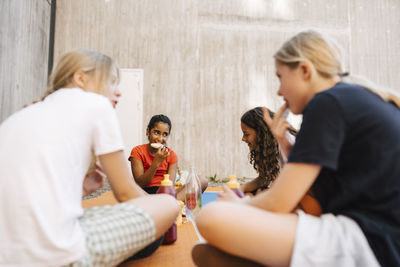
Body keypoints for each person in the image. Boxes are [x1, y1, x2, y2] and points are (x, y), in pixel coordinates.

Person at [193, 30, 400, 267]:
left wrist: (240, 204)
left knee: (211, 217)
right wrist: (286, 144)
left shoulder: (327, 102)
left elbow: (279, 201)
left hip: (371, 240)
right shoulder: (351, 99)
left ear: (304, 70)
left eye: (280, 77)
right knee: (207, 254)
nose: (279, 91)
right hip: (377, 236)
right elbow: (319, 180)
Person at [0, 49, 178, 266]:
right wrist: (160, 213)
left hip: (8, 255)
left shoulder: (23, 114)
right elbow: (126, 193)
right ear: (80, 78)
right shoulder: (97, 105)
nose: (118, 92)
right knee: (167, 205)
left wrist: (81, 188)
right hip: (55, 257)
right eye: (112, 81)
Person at [129, 115, 208, 201]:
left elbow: (170, 186)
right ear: (148, 132)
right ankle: (169, 206)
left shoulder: (171, 155)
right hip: (145, 194)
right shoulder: (137, 151)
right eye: (156, 132)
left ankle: (168, 204)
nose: (160, 138)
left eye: (165, 134)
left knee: (202, 181)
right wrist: (156, 163)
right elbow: (140, 184)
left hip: (165, 194)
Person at [240, 107, 296, 195]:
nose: (243, 139)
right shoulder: (269, 148)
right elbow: (264, 178)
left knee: (253, 196)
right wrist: (242, 188)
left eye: (246, 134)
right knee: (249, 194)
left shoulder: (285, 142)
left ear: (261, 133)